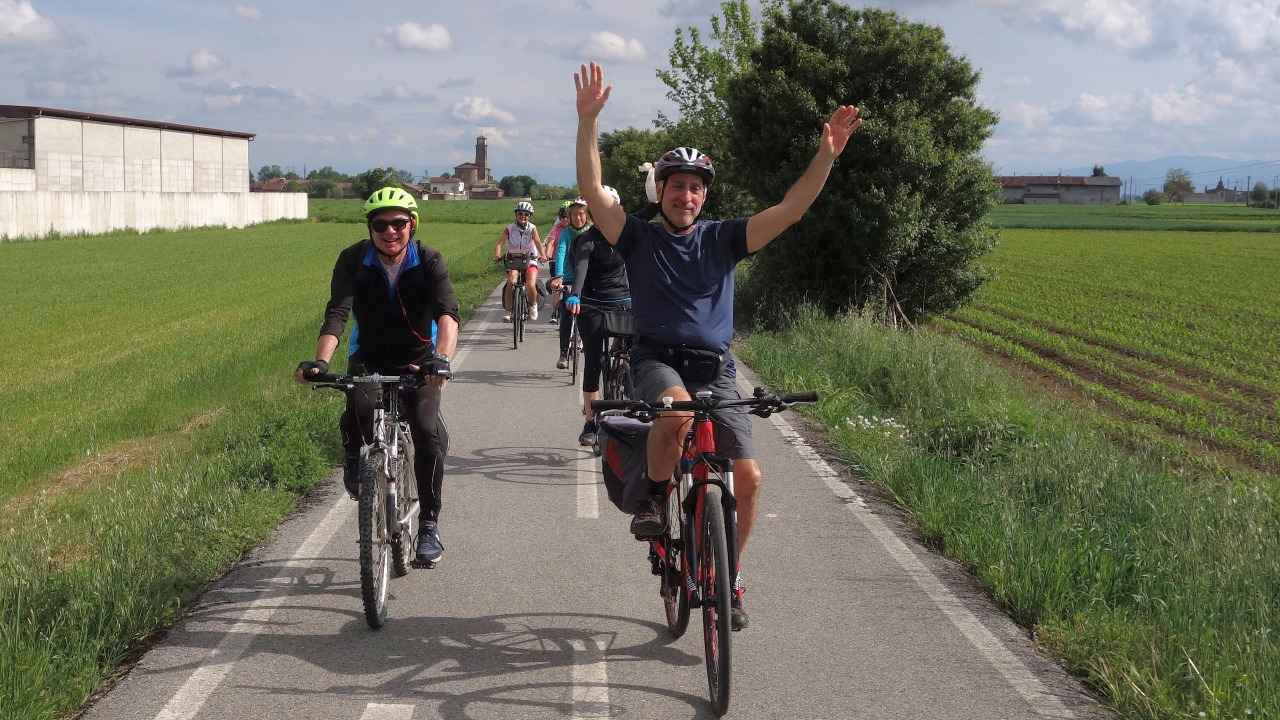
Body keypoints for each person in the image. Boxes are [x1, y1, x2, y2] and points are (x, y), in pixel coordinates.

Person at [574, 61, 861, 629]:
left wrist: (825, 155)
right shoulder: (637, 237)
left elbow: (792, 209)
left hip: (718, 368)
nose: (687, 195)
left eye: (696, 187)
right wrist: (588, 125)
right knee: (676, 413)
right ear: (663, 191)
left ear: (705, 197)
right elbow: (591, 190)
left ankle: (727, 573)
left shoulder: (725, 238)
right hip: (657, 360)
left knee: (749, 479)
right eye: (677, 185)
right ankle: (657, 498)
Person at [295, 186, 459, 567]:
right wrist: (320, 361)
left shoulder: (429, 260)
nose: (390, 231)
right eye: (380, 224)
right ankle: (354, 455)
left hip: (419, 362)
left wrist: (442, 359)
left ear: (412, 224)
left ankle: (430, 525)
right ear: (370, 227)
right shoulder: (353, 260)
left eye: (398, 223)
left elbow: (447, 316)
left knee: (426, 429)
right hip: (369, 356)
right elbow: (338, 313)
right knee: (359, 402)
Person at [562, 190, 632, 447]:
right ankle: (591, 420)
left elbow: (650, 216)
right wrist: (575, 295)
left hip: (624, 302)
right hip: (591, 305)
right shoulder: (586, 240)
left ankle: (634, 400)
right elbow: (581, 266)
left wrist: (655, 196)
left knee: (638, 355)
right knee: (593, 360)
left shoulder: (626, 235)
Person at [493, 200, 543, 322]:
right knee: (511, 281)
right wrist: (498, 255)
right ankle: (509, 311)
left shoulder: (532, 228)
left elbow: (538, 243)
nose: (523, 216)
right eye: (520, 213)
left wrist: (543, 255)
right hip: (513, 260)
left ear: (529, 216)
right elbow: (500, 243)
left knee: (530, 283)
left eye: (526, 214)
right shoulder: (509, 228)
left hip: (530, 259)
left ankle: (533, 305)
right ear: (516, 215)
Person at [544, 200, 574, 323]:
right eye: (562, 217)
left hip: (573, 263)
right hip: (557, 261)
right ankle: (555, 312)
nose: (565, 219)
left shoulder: (578, 230)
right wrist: (547, 255)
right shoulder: (557, 229)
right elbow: (551, 243)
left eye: (567, 217)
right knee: (557, 288)